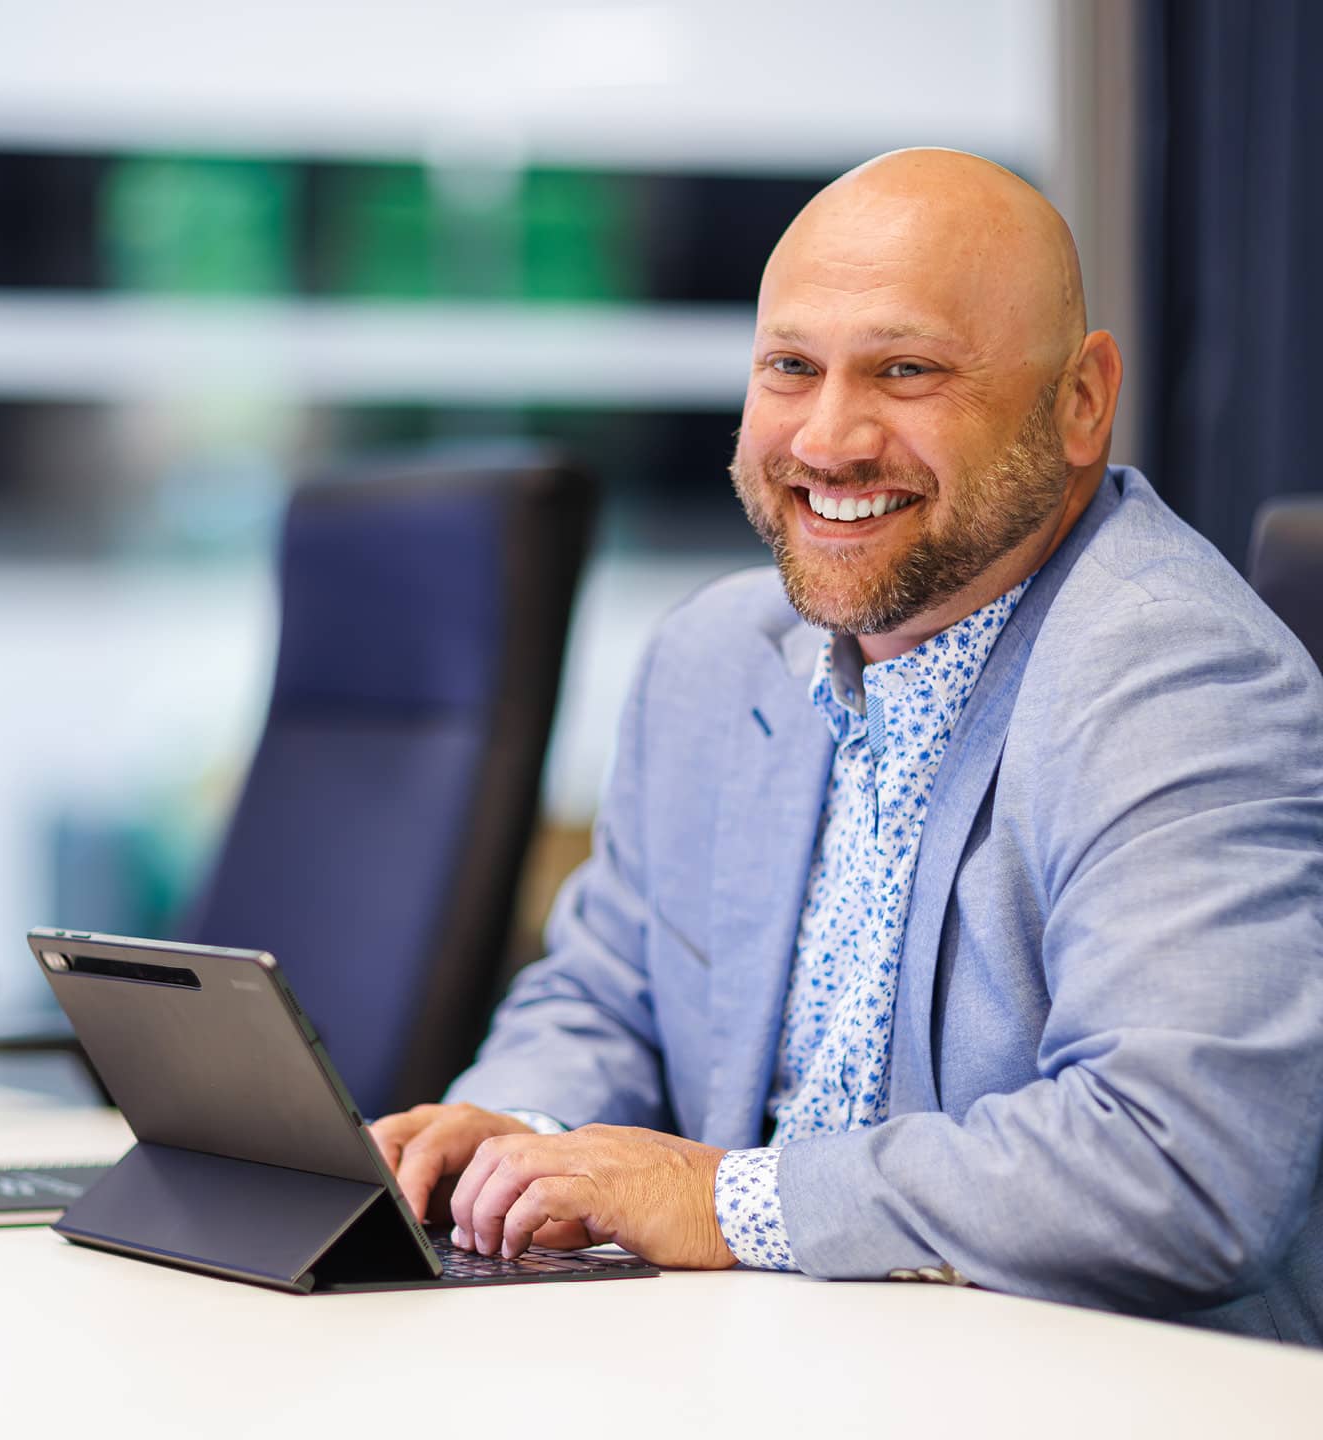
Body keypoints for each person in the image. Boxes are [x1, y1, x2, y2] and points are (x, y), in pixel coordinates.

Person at [371, 149, 1323, 1343]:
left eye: (907, 369)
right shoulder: (714, 656)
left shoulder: (1172, 676)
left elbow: (1182, 1165)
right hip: (753, 1365)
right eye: (790, 368)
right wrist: (522, 1135)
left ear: (1082, 401)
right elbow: (610, 995)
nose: (828, 439)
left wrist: (723, 1201)